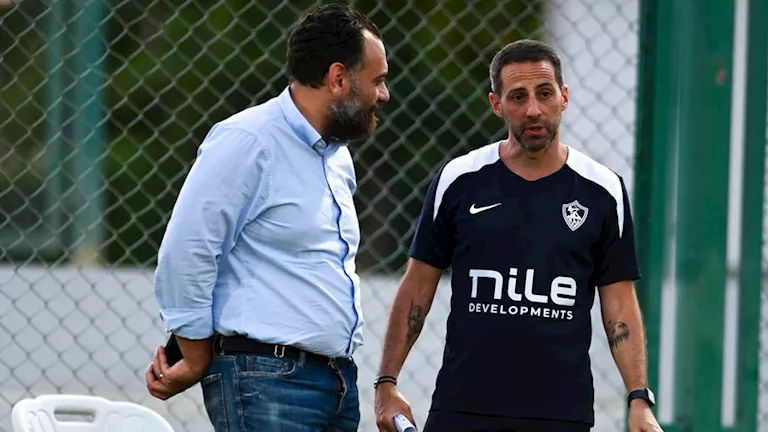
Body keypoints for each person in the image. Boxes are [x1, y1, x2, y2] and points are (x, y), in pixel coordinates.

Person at [374, 39, 662, 432]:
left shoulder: (602, 190)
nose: (533, 110)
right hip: (463, 410)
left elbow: (620, 301)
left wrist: (639, 399)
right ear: (496, 104)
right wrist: (386, 383)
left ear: (564, 97)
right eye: (518, 97)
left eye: (544, 93)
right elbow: (417, 286)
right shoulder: (460, 179)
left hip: (561, 414)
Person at [144, 4, 390, 431]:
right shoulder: (247, 141)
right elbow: (187, 252)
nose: (383, 94)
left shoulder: (336, 158)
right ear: (338, 78)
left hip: (335, 382)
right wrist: (195, 353)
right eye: (377, 80)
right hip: (266, 381)